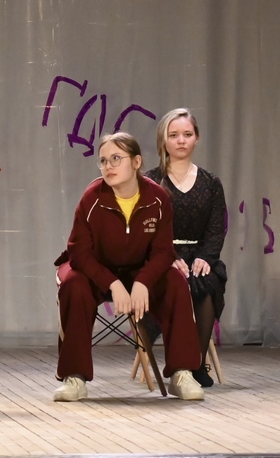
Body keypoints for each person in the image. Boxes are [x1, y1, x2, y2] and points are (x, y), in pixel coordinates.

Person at [53, 131, 204, 402]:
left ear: (136, 162)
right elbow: (79, 253)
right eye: (103, 161)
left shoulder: (158, 198)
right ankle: (74, 377)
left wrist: (143, 281)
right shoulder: (92, 198)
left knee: (175, 282)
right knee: (74, 285)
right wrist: (112, 284)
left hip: (138, 269)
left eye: (116, 159)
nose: (108, 166)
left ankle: (182, 373)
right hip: (95, 269)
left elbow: (163, 252)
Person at [143, 108, 227, 389]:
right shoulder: (150, 181)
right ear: (163, 140)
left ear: (197, 138)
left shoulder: (211, 183)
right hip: (162, 256)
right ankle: (179, 366)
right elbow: (146, 230)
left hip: (199, 255)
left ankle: (195, 364)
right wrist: (169, 257)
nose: (181, 140)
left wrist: (206, 257)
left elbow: (216, 229)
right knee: (173, 281)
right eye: (174, 135)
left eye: (187, 134)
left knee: (206, 280)